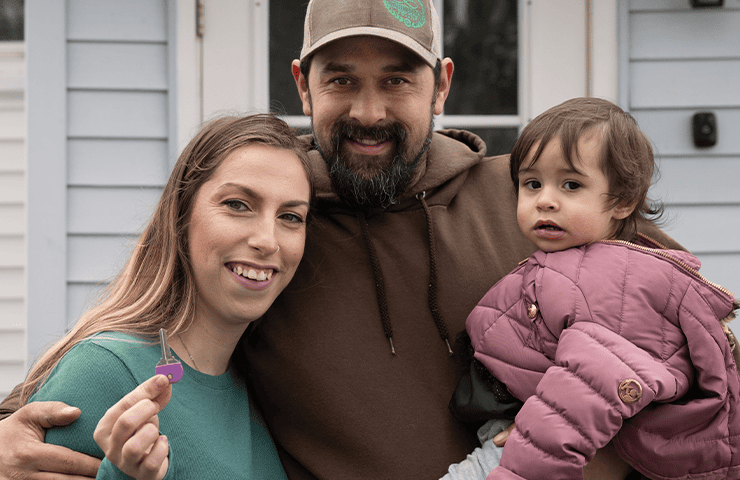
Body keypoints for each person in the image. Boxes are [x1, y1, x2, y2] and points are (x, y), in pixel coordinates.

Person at [0, 1, 715, 479]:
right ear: (303, 86)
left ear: (441, 86)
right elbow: (149, 347)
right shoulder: (275, 228)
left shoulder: (530, 202)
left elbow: (689, 324)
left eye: (396, 80)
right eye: (342, 79)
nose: (368, 110)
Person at [442, 97, 740, 480]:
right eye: (532, 184)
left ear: (622, 201)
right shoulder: (578, 262)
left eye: (571, 185)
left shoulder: (612, 282)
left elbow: (589, 391)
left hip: (534, 451)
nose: (545, 201)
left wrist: (528, 460)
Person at [8, 113, 312, 479]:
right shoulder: (104, 371)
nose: (267, 240)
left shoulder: (261, 384)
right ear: (181, 216)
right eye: (237, 204)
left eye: (291, 216)